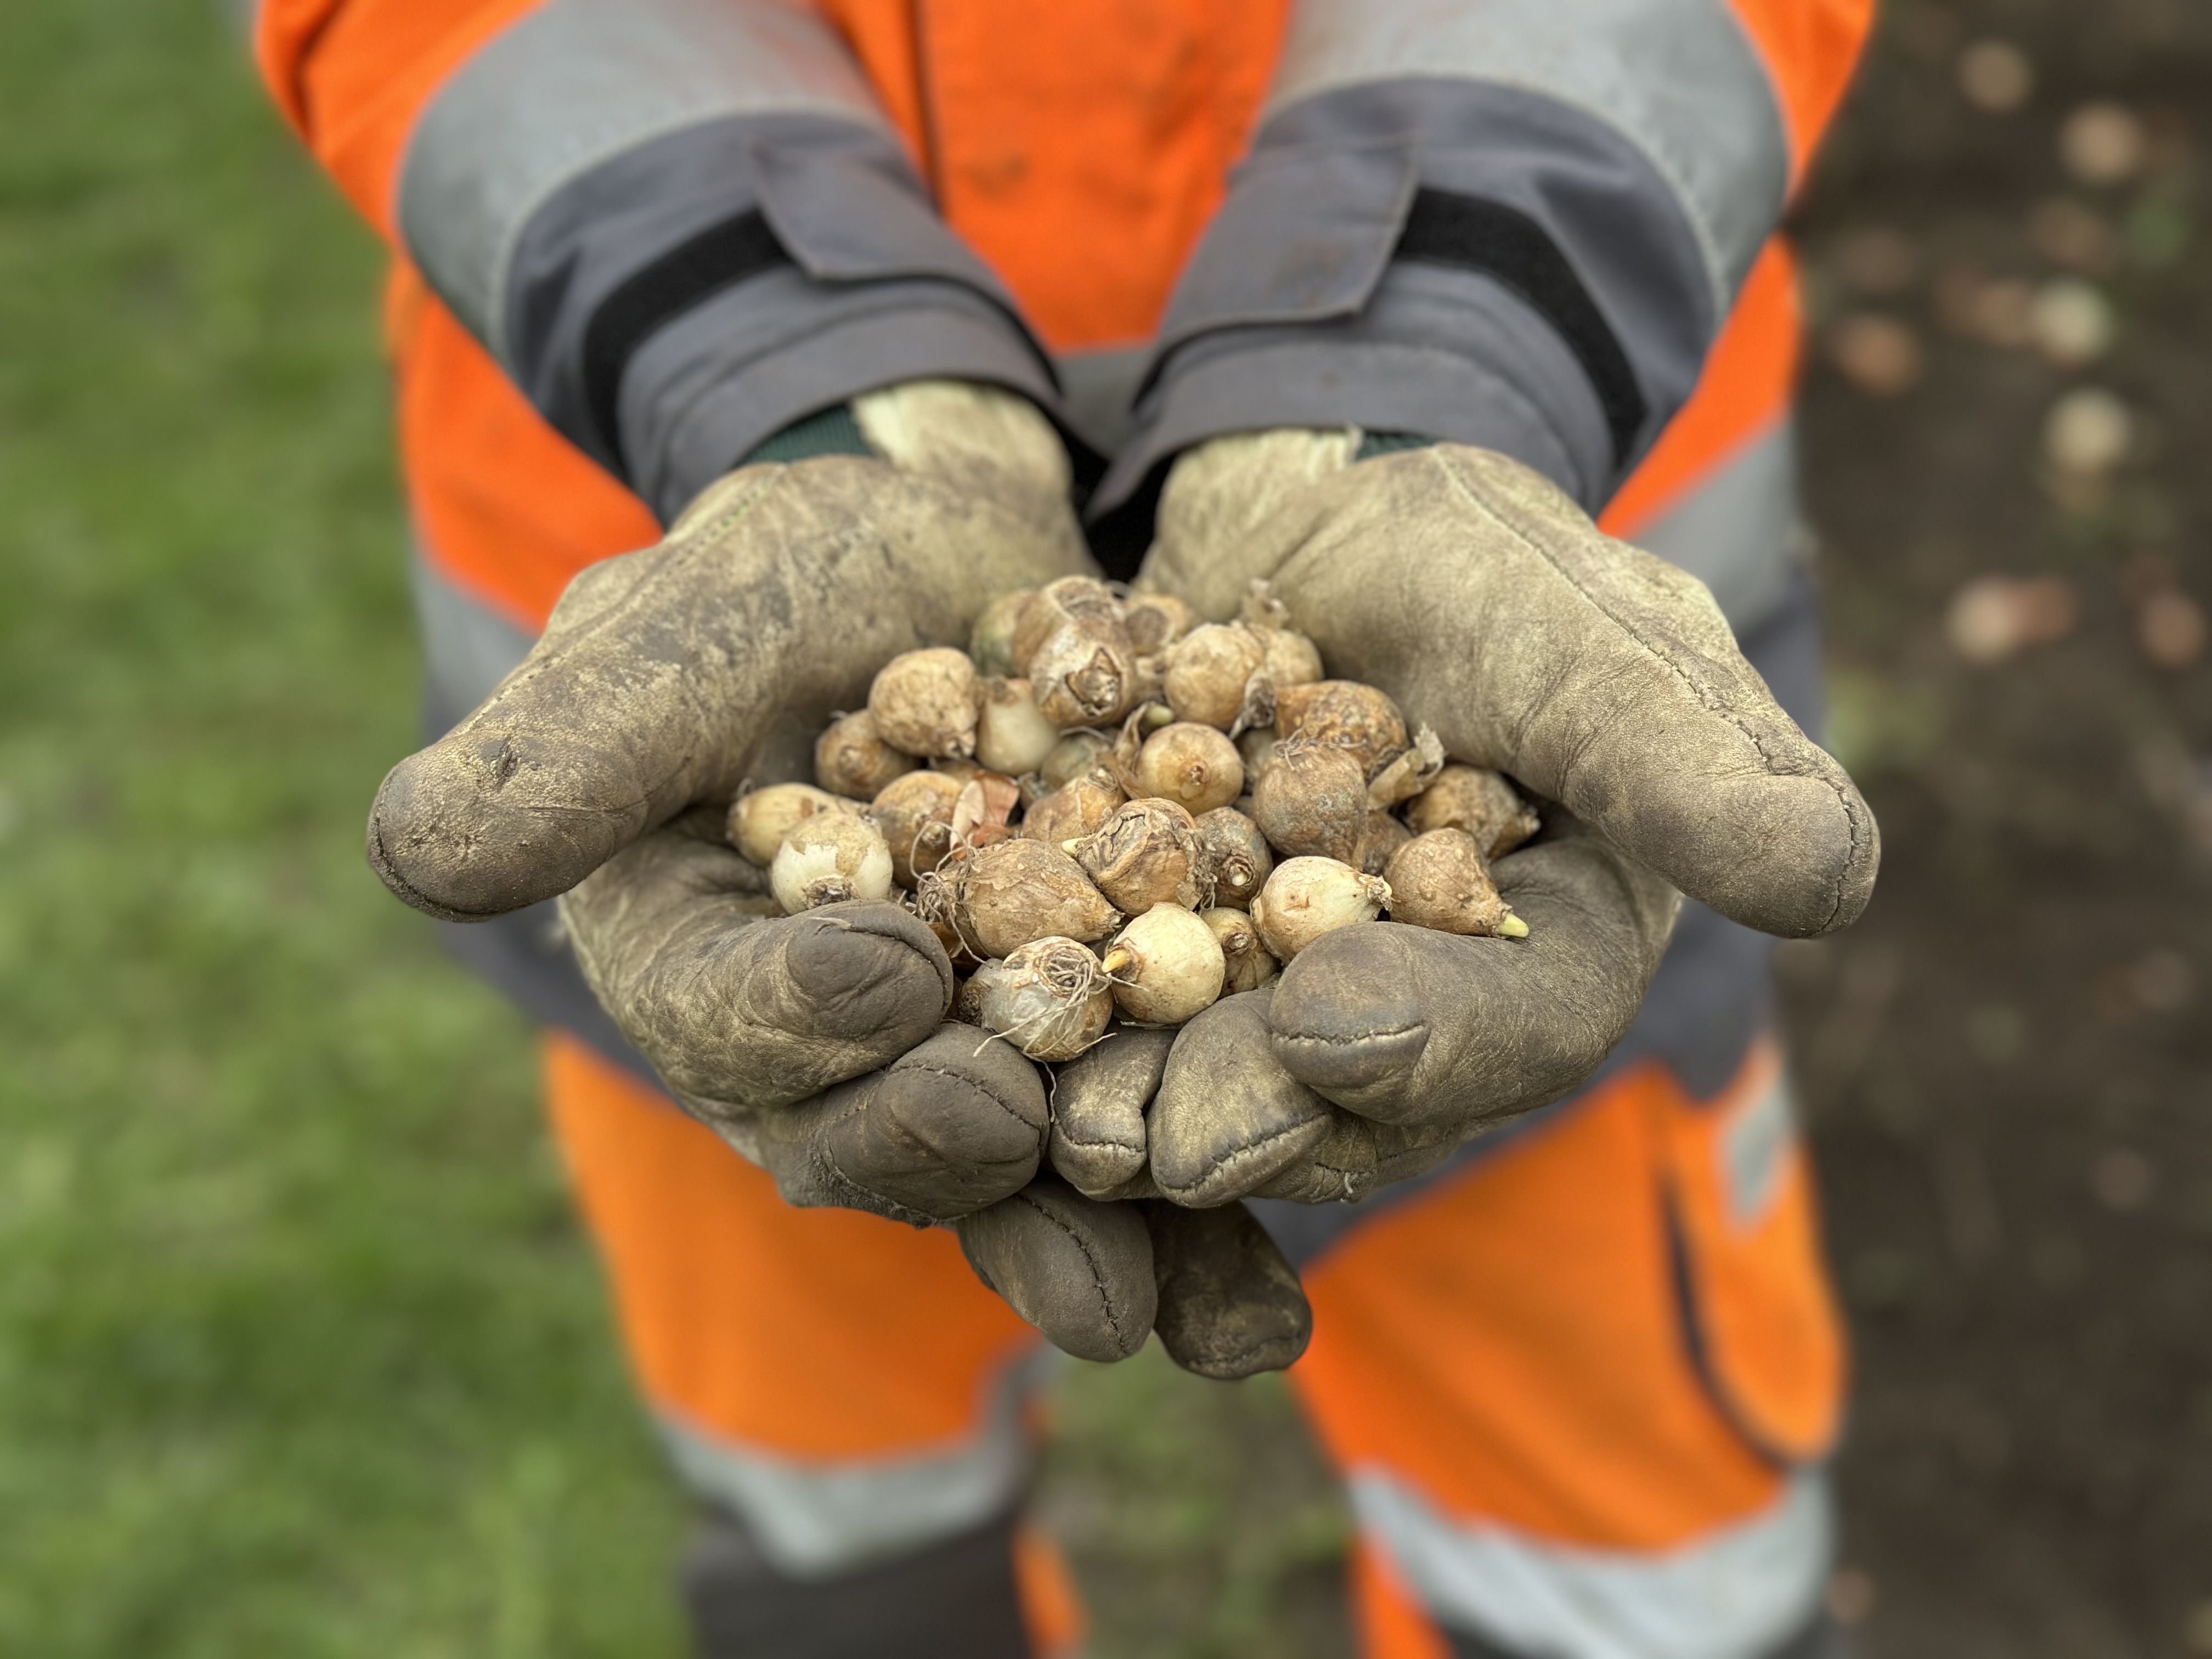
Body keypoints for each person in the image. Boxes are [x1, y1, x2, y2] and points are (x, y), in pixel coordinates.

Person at [256, 2, 1881, 1654]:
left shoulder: (1260, 801)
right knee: (842, 1528)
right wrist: (765, 353)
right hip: (702, 643)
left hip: (1523, 568)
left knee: (1630, 1563)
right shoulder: (962, 799)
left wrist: (1449, 321)